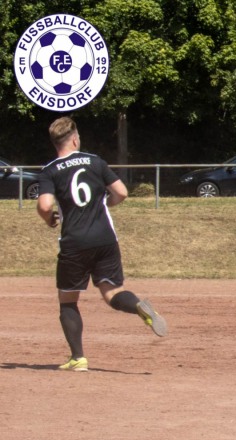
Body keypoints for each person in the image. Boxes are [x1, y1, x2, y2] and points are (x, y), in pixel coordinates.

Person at [36, 117, 167, 372]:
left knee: (68, 301)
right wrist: (104, 205)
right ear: (75, 138)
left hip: (74, 242)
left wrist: (48, 219)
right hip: (105, 239)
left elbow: (44, 205)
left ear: (55, 143)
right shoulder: (96, 162)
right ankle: (138, 306)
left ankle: (78, 358)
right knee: (112, 292)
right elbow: (122, 193)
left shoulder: (50, 170)